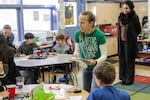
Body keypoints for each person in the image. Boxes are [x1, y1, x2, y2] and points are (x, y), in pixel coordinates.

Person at [73, 11, 107, 92]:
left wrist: (96, 61)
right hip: (86, 67)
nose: (80, 25)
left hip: (98, 68)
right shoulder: (78, 34)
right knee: (85, 91)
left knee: (95, 91)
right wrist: (75, 56)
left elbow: (104, 55)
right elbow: (77, 51)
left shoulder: (100, 35)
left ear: (91, 23)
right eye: (79, 22)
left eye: (83, 23)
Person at [118, 0, 141, 85]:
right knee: (122, 60)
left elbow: (138, 29)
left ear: (131, 8)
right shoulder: (120, 17)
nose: (125, 10)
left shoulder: (134, 17)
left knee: (129, 61)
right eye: (123, 8)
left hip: (130, 43)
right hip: (122, 42)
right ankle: (123, 78)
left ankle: (129, 79)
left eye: (127, 8)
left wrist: (132, 36)